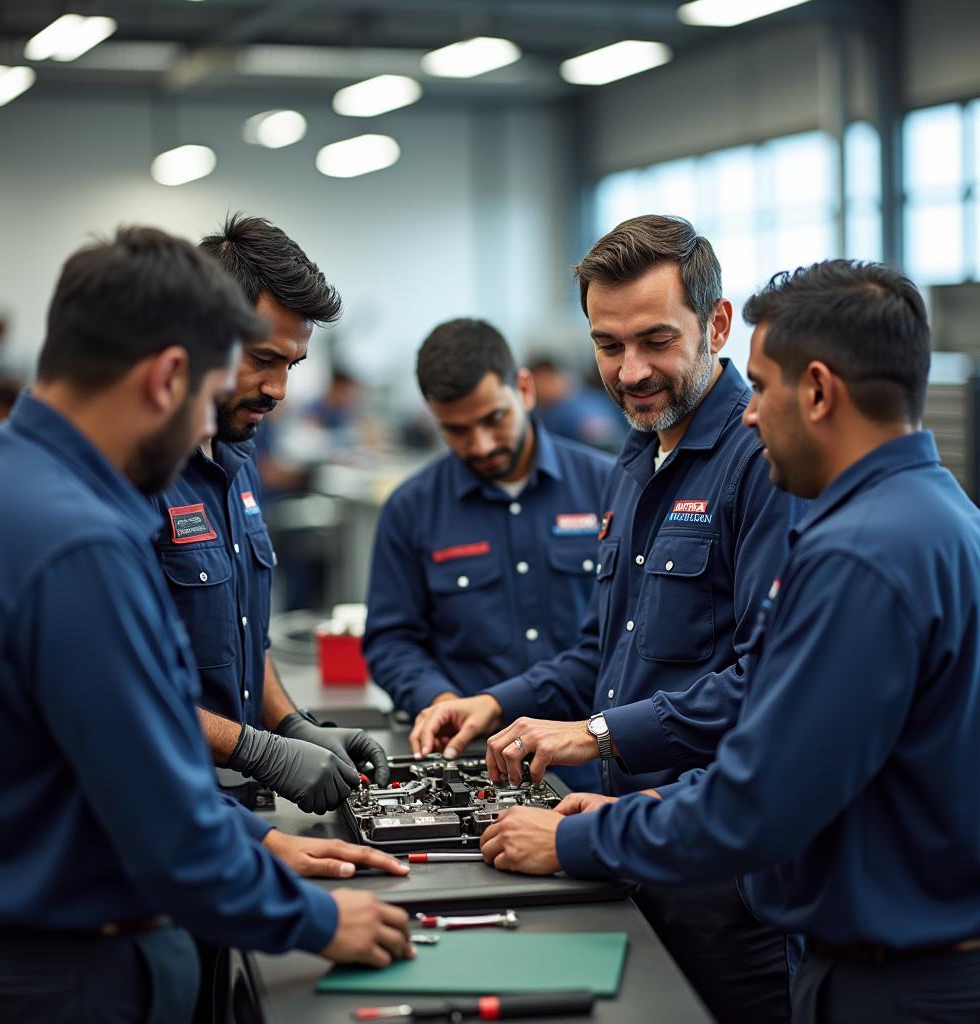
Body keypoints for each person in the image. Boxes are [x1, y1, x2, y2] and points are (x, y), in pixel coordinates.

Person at [477, 258, 980, 1024]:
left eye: (763, 385)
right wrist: (647, 800)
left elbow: (759, 800)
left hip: (894, 985)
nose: (749, 413)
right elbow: (810, 760)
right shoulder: (935, 519)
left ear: (816, 391)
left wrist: (578, 841)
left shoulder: (861, 555)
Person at [0, 227, 412, 1024]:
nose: (223, 421)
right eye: (214, 390)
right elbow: (159, 808)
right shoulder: (77, 538)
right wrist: (317, 919)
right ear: (170, 376)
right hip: (83, 968)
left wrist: (290, 727)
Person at [410, 217, 802, 1023]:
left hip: (727, 886)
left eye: (656, 341)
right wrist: (502, 703)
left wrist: (596, 736)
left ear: (718, 324)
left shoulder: (763, 465)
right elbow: (607, 650)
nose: (631, 371)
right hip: (623, 846)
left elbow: (766, 686)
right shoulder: (638, 452)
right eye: (607, 344)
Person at [150, 214, 391, 821]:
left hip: (228, 809)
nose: (279, 389)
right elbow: (112, 687)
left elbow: (241, 636)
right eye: (262, 359)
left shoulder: (238, 457)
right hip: (158, 810)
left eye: (292, 365)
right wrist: (259, 750)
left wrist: (289, 723)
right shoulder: (135, 476)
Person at [363, 319, 613, 787]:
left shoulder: (610, 487)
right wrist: (438, 700)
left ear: (524, 388)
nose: (480, 445)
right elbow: (391, 639)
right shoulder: (411, 509)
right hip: (477, 768)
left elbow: (625, 638)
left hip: (593, 759)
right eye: (456, 430)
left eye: (493, 419)